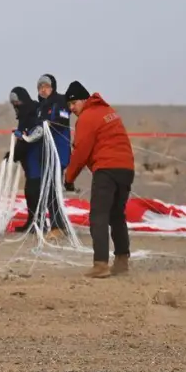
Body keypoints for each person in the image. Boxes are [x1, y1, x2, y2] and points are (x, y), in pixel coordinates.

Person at [62, 80, 135, 279]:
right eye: (69, 105)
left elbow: (80, 152)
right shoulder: (108, 111)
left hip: (107, 170)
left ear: (84, 100)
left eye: (73, 103)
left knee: (99, 216)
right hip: (126, 168)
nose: (71, 109)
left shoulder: (87, 117)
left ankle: (100, 264)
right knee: (116, 215)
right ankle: (122, 261)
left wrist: (68, 177)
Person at [32, 73, 73, 234]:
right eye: (40, 87)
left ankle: (57, 227)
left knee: (52, 190)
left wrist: (50, 123)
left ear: (53, 87)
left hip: (58, 152)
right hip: (45, 154)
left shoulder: (60, 101)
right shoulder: (40, 107)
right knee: (48, 190)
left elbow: (63, 118)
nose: (43, 90)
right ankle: (59, 225)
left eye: (46, 86)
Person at [6, 86, 45, 232]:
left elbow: (27, 138)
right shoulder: (28, 112)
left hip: (35, 158)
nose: (16, 106)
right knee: (30, 190)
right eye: (14, 104)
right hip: (30, 160)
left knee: (33, 190)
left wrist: (14, 155)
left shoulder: (31, 114)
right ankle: (33, 221)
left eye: (17, 103)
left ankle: (37, 223)